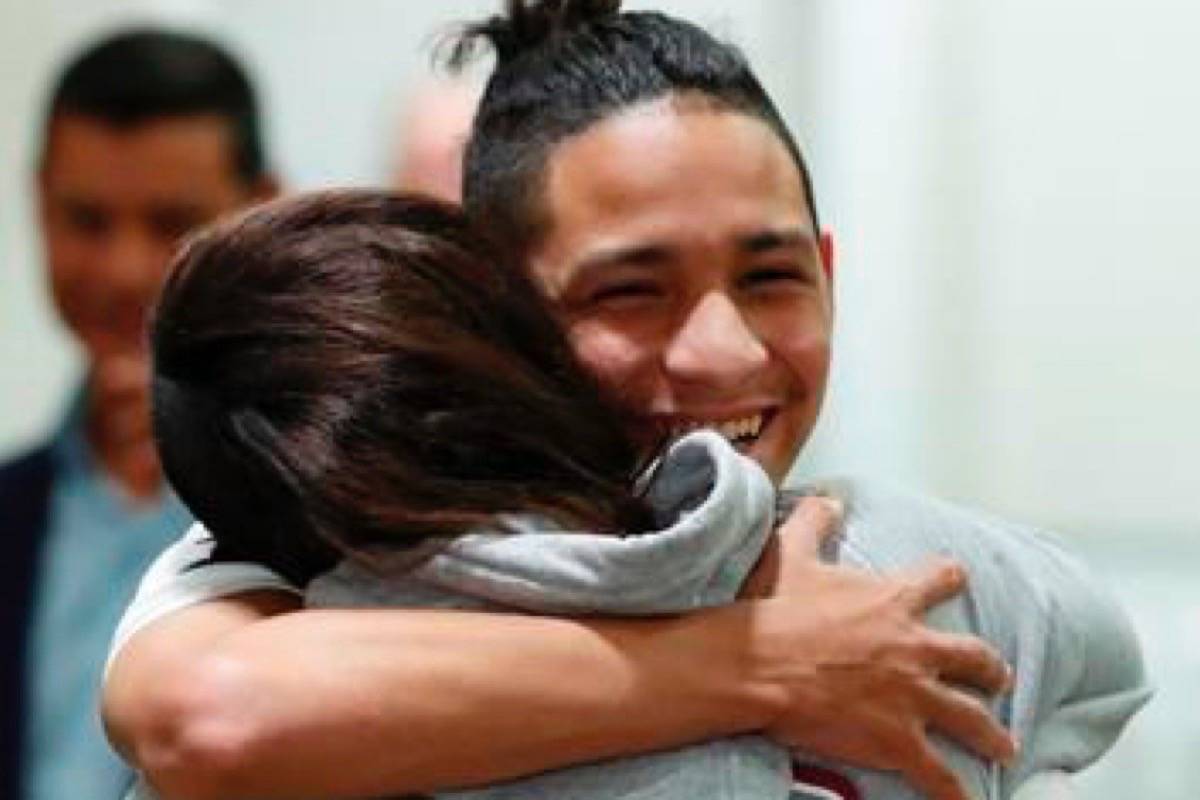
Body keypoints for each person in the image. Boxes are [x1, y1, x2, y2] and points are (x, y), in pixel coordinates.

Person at [101, 3, 1147, 799]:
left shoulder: (899, 571)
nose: (722, 351)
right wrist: (758, 662)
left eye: (772, 276)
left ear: (828, 269)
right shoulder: (340, 534)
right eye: (631, 291)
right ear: (497, 306)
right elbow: (206, 712)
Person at [0, 28, 276, 800]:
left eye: (171, 224)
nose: (124, 271)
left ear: (262, 208)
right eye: (86, 220)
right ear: (38, 204)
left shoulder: (331, 502)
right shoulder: (11, 509)